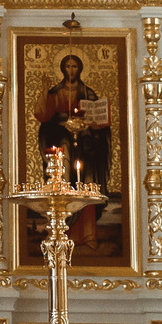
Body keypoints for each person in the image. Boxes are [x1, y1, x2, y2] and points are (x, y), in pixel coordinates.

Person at [35, 53, 111, 248]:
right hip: (61, 142)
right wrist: (44, 90)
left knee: (86, 184)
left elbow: (98, 117)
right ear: (62, 68)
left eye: (74, 66)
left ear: (80, 69)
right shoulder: (55, 92)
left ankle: (88, 235)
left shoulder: (88, 93)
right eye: (68, 66)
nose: (71, 70)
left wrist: (94, 126)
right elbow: (42, 115)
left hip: (85, 147)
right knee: (64, 180)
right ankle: (59, 232)